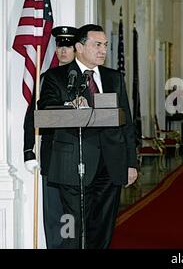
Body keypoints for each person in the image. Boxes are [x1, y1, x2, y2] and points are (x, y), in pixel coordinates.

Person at [38, 24, 138, 249]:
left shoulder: (114, 78)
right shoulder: (58, 76)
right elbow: (45, 111)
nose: (103, 50)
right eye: (97, 45)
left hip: (110, 164)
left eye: (105, 45)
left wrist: (131, 162)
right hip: (73, 164)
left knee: (102, 225)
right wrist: (69, 106)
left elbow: (127, 123)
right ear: (79, 47)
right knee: (73, 224)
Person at [23, 26, 77, 248]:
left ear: (77, 49)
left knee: (71, 214)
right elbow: (32, 115)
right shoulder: (45, 78)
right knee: (53, 212)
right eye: (59, 46)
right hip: (52, 153)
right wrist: (29, 150)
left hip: (77, 156)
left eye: (68, 46)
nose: (62, 51)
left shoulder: (87, 78)